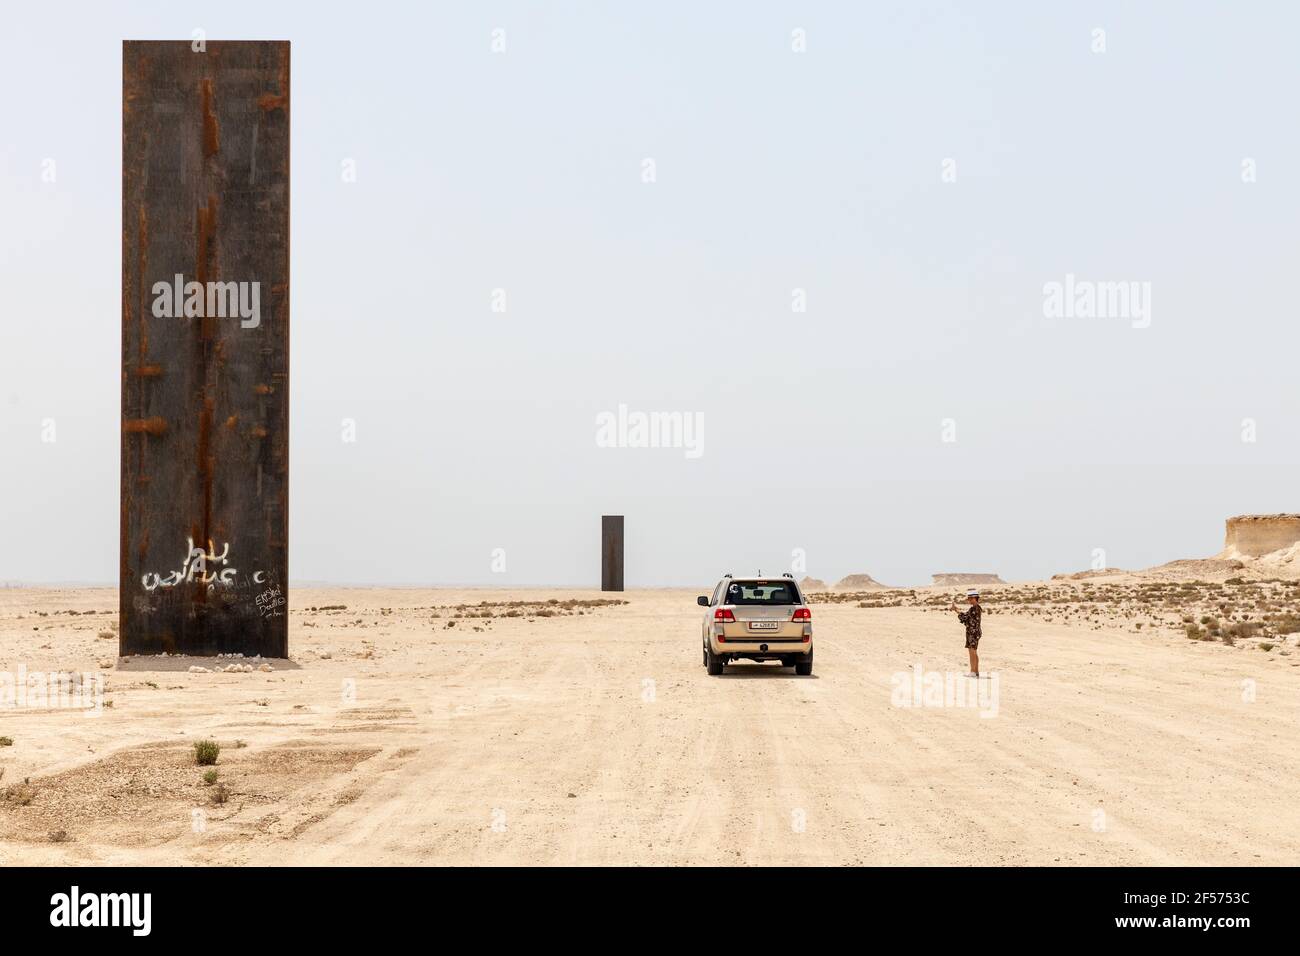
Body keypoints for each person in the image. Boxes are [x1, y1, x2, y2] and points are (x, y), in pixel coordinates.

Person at [950, 589, 982, 677]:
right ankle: (976, 671)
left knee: (972, 652)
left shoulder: (974, 609)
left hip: (973, 633)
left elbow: (964, 617)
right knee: (974, 652)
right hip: (975, 632)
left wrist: (955, 609)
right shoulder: (977, 608)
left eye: (970, 598)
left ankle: (973, 672)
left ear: (975, 598)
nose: (969, 600)